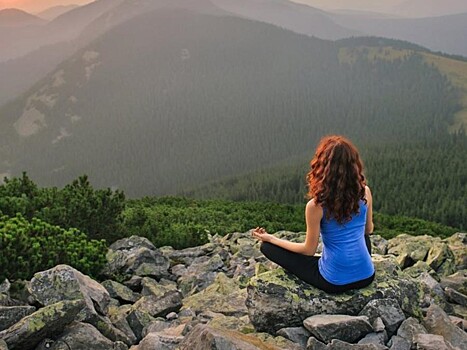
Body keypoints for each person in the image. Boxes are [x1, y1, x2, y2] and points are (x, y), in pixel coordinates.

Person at [252, 135, 375, 293]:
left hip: (334, 282)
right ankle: (353, 265)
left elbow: (308, 250)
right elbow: (368, 230)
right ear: (354, 165)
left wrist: (271, 238)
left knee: (267, 247)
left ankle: (338, 266)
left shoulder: (316, 206)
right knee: (360, 236)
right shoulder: (365, 192)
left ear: (322, 168)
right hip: (366, 276)